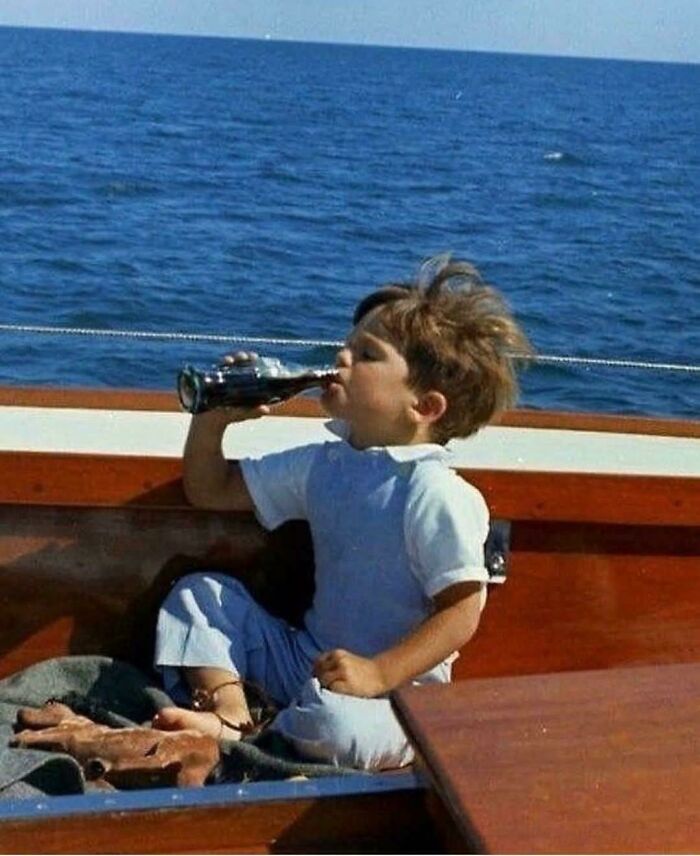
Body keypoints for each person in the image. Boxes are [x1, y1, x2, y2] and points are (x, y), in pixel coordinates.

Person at [152, 256, 531, 770]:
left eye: (366, 355)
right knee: (198, 595)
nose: (340, 358)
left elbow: (463, 611)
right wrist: (212, 421)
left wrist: (377, 673)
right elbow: (210, 489)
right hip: (310, 659)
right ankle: (231, 712)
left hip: (395, 694)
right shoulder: (325, 462)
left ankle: (252, 734)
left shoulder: (434, 491)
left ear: (424, 407)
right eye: (347, 345)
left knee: (338, 726)